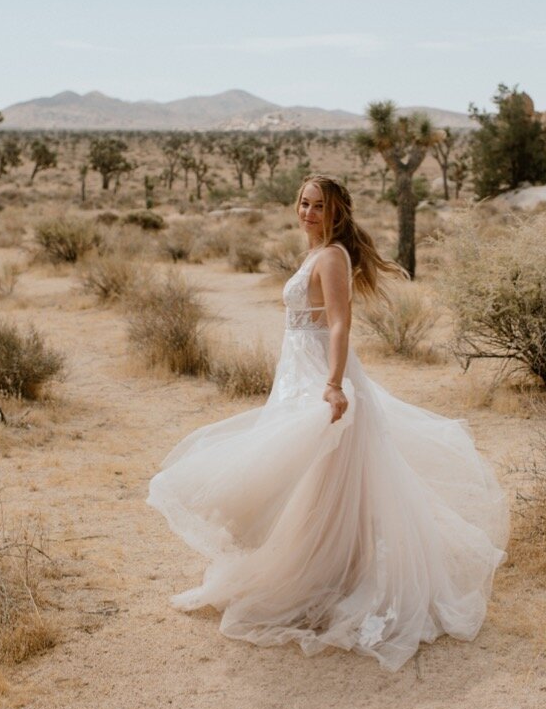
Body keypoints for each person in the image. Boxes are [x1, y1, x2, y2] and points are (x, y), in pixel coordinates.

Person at [148, 175, 508, 672]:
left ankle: (334, 578)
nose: (309, 212)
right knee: (309, 480)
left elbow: (339, 321)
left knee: (326, 478)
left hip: (321, 378)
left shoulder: (333, 256)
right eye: (304, 203)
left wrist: (335, 384)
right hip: (296, 374)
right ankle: (318, 570)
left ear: (337, 212)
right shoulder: (313, 253)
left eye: (319, 206)